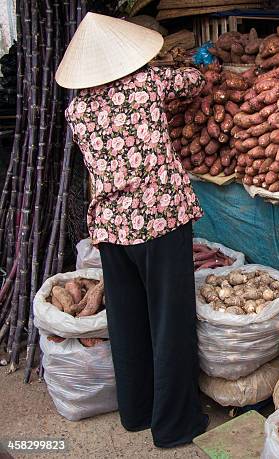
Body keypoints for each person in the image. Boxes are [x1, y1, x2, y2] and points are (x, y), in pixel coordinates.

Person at [55, 12, 208, 447]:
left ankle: (136, 412)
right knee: (169, 323)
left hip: (112, 226)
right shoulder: (147, 85)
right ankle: (175, 426)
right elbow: (194, 83)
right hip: (159, 220)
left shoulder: (77, 109)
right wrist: (192, 68)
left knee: (128, 323)